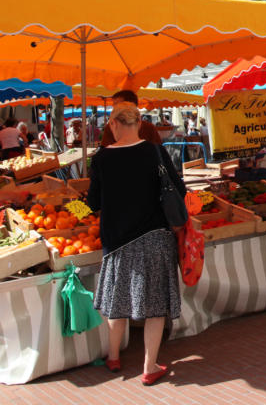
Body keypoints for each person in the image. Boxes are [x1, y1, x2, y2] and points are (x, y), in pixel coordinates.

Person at [87, 102, 184, 386]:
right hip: (155, 236)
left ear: (114, 124)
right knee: (154, 306)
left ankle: (114, 356)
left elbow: (93, 202)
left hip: (117, 241)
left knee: (118, 302)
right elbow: (178, 189)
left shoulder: (101, 158)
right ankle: (149, 365)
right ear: (139, 123)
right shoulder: (155, 151)